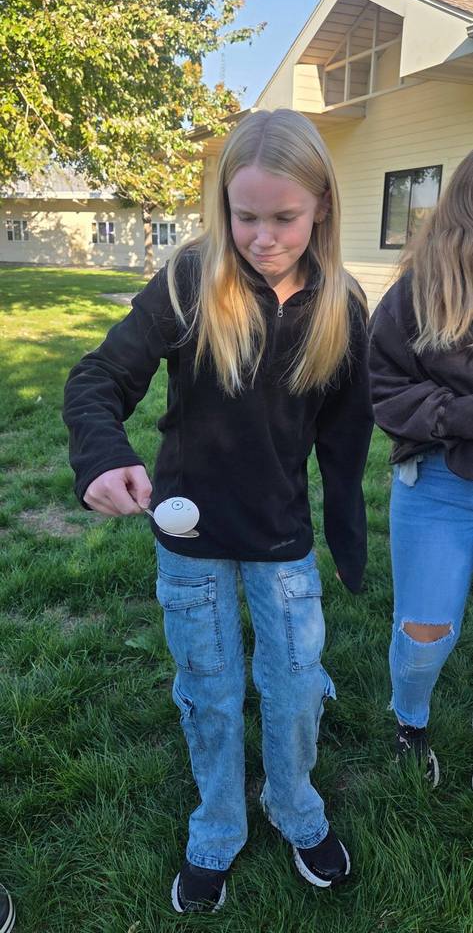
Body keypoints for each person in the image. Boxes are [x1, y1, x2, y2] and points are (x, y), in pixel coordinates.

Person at [63, 108, 373, 913]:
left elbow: (345, 436)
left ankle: (296, 807)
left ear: (321, 209)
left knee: (297, 686)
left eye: (285, 218)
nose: (263, 237)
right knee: (207, 688)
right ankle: (216, 829)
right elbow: (97, 380)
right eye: (245, 217)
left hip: (281, 539)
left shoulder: (341, 302)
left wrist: (346, 539)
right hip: (189, 537)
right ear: (222, 208)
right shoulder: (189, 280)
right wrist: (103, 458)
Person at [369, 151, 473, 787]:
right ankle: (410, 718)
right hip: (440, 481)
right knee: (425, 633)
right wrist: (463, 414)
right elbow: (383, 389)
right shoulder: (419, 290)